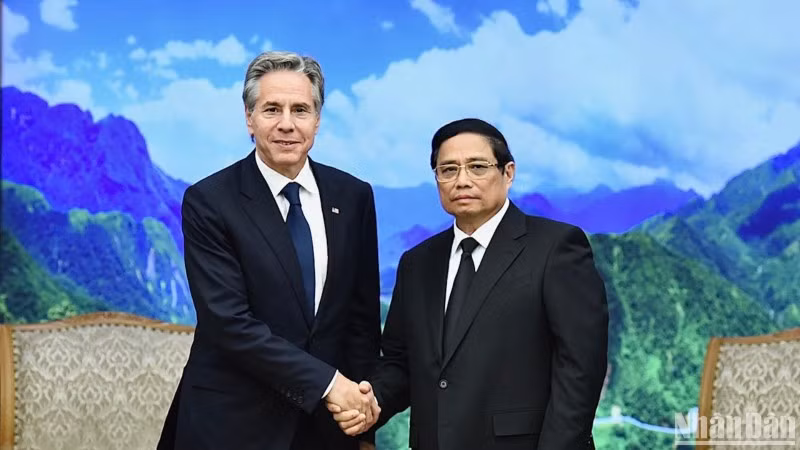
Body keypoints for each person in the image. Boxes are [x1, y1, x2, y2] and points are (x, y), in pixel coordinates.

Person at [331, 118, 609, 449]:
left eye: (477, 167)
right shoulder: (417, 263)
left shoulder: (556, 248)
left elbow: (580, 369)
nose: (462, 180)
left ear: (508, 173)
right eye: (448, 170)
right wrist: (373, 400)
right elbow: (400, 362)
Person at [157, 51, 381, 450]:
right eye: (272, 109)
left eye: (301, 110)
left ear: (317, 119)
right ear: (249, 118)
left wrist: (363, 428)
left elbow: (361, 321)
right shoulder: (210, 201)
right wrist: (330, 384)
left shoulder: (353, 196)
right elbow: (229, 323)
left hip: (328, 429)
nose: (287, 124)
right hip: (232, 425)